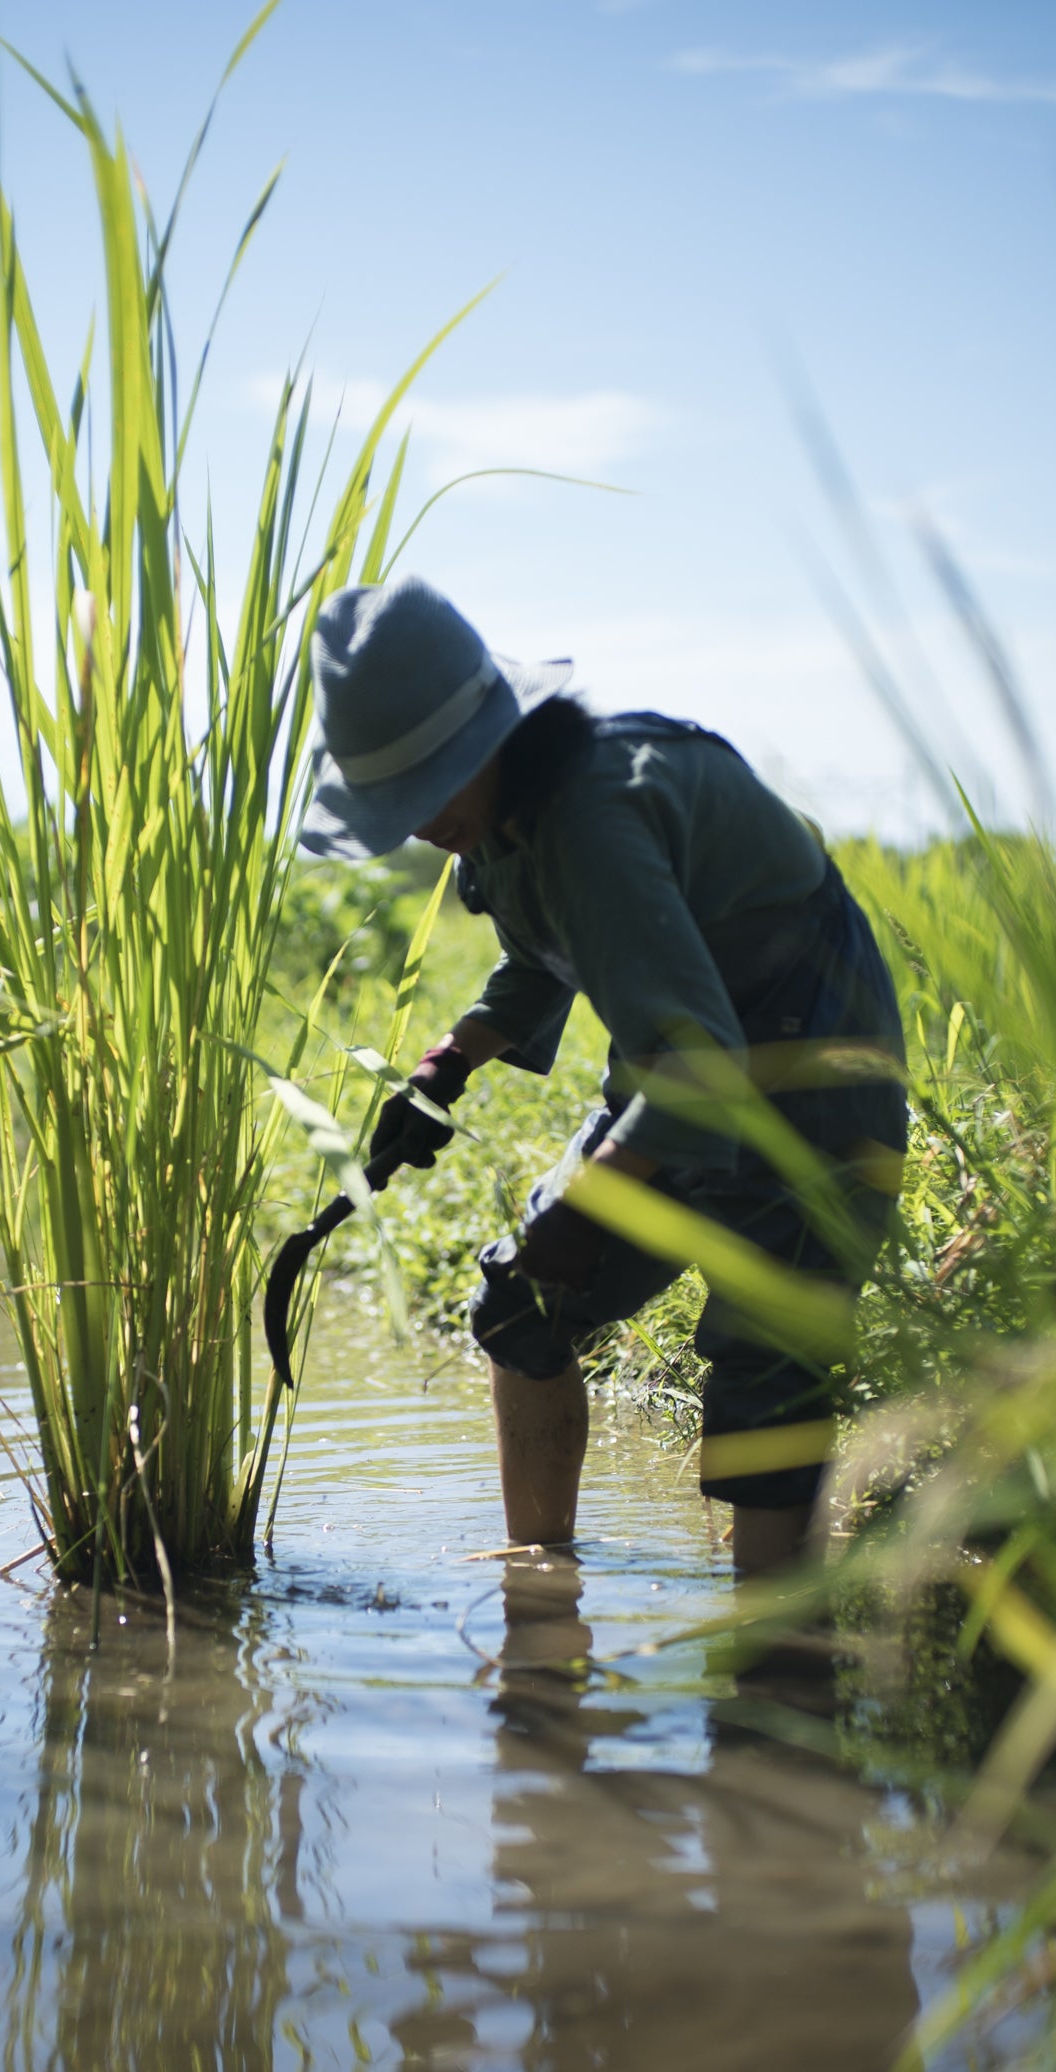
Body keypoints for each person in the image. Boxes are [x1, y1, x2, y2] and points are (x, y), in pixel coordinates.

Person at [298, 577, 908, 1579]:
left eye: (422, 793)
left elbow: (694, 1063)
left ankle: (771, 1672)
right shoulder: (503, 820)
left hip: (813, 1075)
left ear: (486, 743)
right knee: (516, 1310)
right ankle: (542, 1585)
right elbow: (541, 957)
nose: (413, 825)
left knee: (767, 1376)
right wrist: (447, 1064)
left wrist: (583, 1213)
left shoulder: (594, 815)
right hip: (682, 1063)